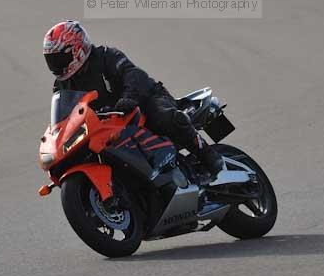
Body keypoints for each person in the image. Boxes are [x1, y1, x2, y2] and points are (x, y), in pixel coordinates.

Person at [43, 20, 224, 178]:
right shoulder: (61, 85)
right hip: (108, 125)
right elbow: (66, 115)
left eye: (60, 58)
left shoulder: (106, 56)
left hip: (144, 99)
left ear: (77, 49)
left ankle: (209, 157)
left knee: (164, 118)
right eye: (52, 60)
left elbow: (133, 74)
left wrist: (129, 98)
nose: (56, 65)